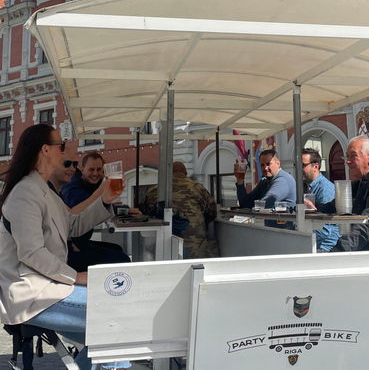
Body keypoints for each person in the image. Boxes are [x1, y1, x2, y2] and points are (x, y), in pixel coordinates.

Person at [0, 124, 125, 370]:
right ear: (45, 149)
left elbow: (72, 225)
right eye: (62, 146)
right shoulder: (25, 192)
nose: (66, 152)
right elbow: (31, 252)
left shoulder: (43, 189)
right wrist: (75, 276)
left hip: (48, 288)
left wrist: (104, 201)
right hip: (32, 294)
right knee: (115, 321)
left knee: (114, 336)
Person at [50, 158, 130, 271]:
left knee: (117, 249)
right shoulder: (72, 188)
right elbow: (73, 216)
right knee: (122, 259)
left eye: (74, 164)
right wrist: (100, 193)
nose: (72, 168)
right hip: (69, 249)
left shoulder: (57, 189)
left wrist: (113, 204)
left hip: (76, 243)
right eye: (67, 164)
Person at [145, 161, 219, 259]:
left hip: (162, 245)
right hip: (195, 244)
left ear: (169, 174)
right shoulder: (197, 187)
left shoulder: (156, 189)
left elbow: (145, 211)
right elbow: (212, 212)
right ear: (185, 173)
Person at [301, 148, 340, 252]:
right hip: (314, 244)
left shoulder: (324, 188)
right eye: (297, 166)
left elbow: (325, 229)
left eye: (302, 165)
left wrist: (300, 235)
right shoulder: (307, 187)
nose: (299, 169)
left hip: (324, 248)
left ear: (315, 166)